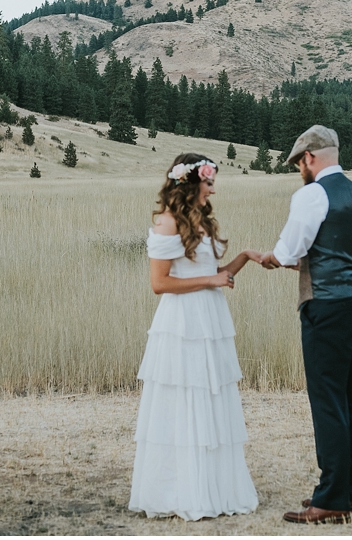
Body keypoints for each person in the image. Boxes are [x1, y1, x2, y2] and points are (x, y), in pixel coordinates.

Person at [129, 153, 260, 521]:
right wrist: (211, 280)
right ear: (189, 183)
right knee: (184, 396)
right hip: (182, 321)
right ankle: (180, 488)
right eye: (208, 181)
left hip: (210, 318)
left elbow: (212, 272)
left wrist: (245, 258)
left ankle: (212, 487)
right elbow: (160, 283)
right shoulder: (167, 223)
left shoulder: (200, 220)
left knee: (211, 394)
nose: (213, 188)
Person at [259, 126, 352, 525]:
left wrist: (273, 257)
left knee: (327, 400)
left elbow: (290, 249)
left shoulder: (311, 195)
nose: (299, 170)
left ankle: (330, 498)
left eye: (298, 163)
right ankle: (351, 492)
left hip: (326, 305)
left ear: (309, 158)